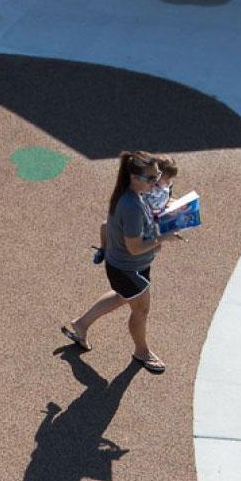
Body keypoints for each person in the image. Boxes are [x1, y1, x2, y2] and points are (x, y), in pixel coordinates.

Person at [62, 150, 181, 373]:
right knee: (141, 311)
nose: (156, 182)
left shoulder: (133, 195)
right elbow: (134, 248)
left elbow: (106, 226)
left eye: (157, 176)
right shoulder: (132, 206)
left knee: (122, 296)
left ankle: (81, 325)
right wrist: (162, 238)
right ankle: (141, 351)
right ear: (135, 178)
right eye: (151, 178)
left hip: (124, 267)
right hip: (130, 269)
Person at [92, 154, 179, 263]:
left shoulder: (166, 188)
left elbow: (166, 200)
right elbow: (137, 203)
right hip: (143, 218)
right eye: (167, 179)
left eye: (172, 179)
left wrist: (173, 205)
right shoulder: (146, 188)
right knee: (105, 226)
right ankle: (103, 249)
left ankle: (137, 258)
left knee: (154, 247)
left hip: (154, 220)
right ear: (156, 175)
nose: (170, 182)